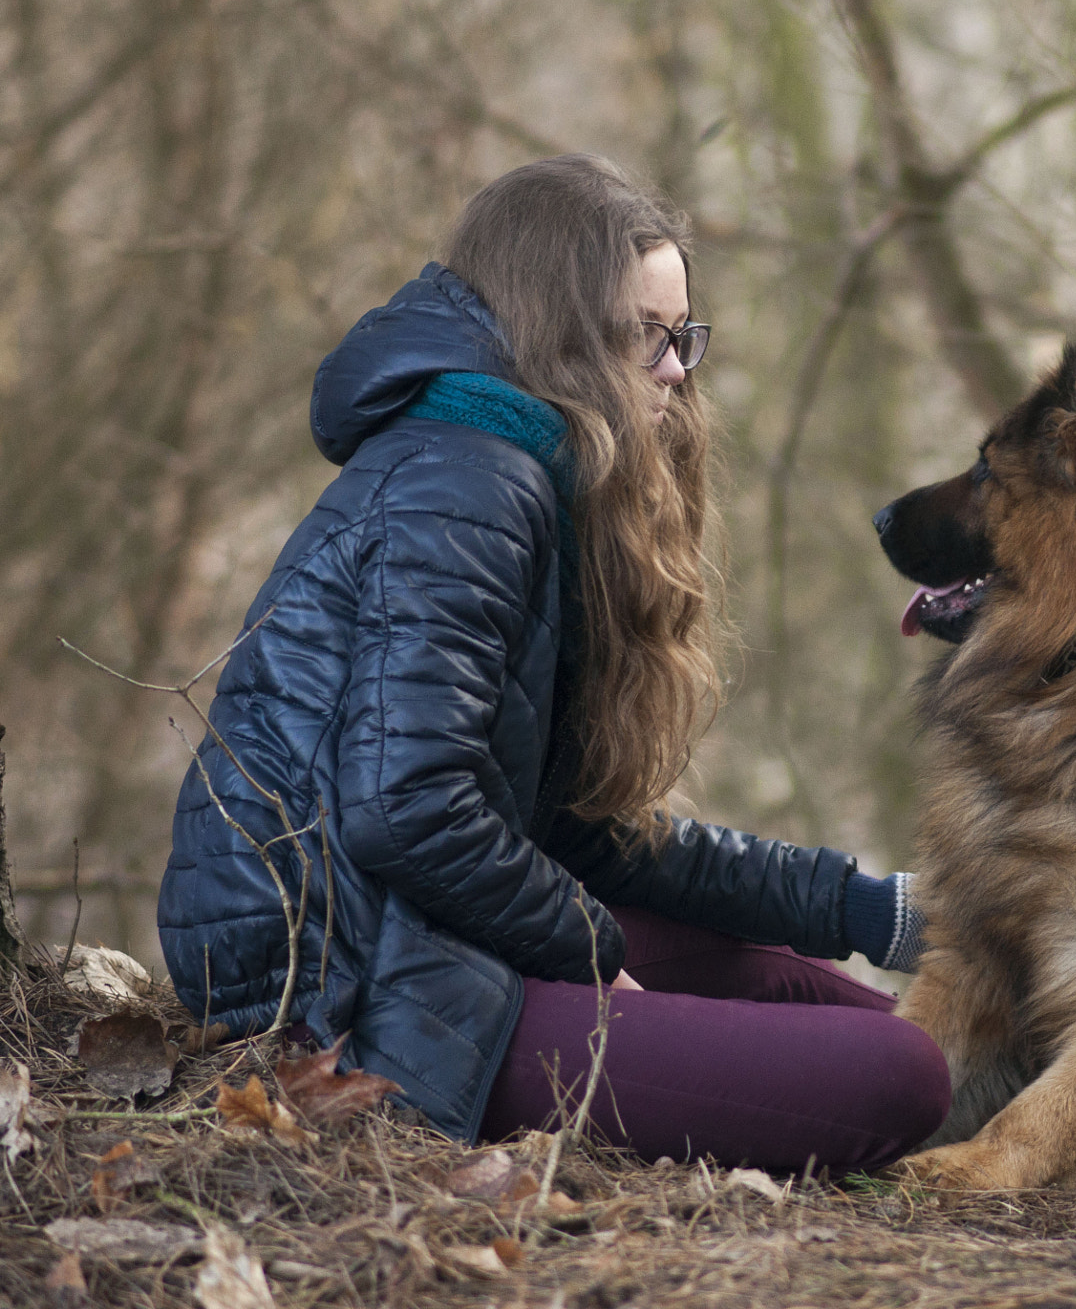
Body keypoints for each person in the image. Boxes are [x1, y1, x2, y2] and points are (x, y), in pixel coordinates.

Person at [158, 154, 948, 1172]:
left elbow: (568, 830)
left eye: (681, 337)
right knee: (901, 1075)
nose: (675, 371)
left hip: (423, 934)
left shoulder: (510, 462)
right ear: (564, 331)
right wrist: (589, 947)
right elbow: (406, 807)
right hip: (345, 991)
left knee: (810, 988)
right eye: (645, 337)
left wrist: (865, 907)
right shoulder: (467, 480)